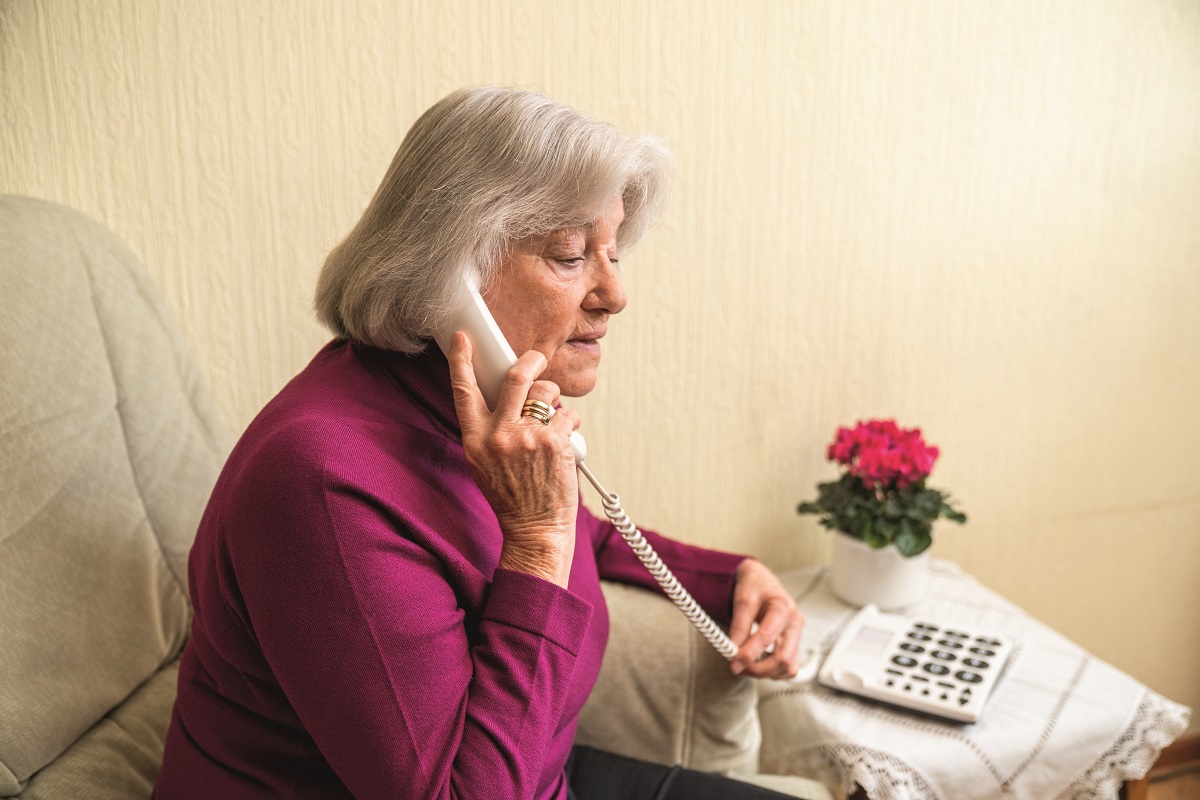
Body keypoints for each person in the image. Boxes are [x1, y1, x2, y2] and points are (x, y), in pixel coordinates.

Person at [155, 86, 807, 800]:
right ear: (448, 273)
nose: (614, 294)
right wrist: (534, 541)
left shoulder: (473, 415)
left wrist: (729, 575)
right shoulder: (320, 483)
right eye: (569, 254)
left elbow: (583, 538)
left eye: (613, 253)